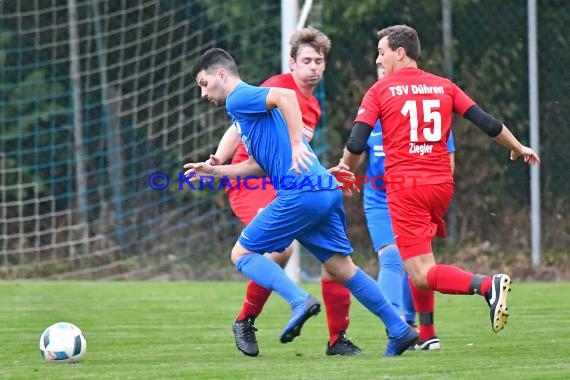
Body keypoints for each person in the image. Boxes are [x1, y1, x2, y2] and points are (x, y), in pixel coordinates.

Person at [184, 47, 419, 357]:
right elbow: (257, 164)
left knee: (242, 253)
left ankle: (298, 301)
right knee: (342, 267)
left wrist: (297, 142)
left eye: (203, 83)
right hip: (323, 187)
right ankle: (399, 329)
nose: (204, 93)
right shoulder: (244, 112)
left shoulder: (240, 96)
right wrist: (216, 171)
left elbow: (286, 97)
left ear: (221, 75)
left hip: (301, 191)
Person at [340, 25, 540, 348]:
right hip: (440, 186)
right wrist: (517, 146)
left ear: (400, 52)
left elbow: (356, 141)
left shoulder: (380, 91)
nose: (379, 59)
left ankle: (488, 285)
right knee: (420, 259)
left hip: (406, 187)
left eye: (382, 52)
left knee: (420, 272)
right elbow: (486, 122)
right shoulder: (443, 86)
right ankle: (428, 335)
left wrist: (345, 173)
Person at [207, 27, 360, 357]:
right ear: (292, 63)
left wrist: (320, 172)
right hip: (251, 180)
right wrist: (218, 159)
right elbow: (236, 126)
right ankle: (246, 320)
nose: (314, 67)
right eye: (307, 60)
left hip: (290, 182)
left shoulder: (314, 106)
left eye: (319, 61)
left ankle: (337, 339)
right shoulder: (277, 86)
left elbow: (299, 150)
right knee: (283, 248)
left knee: (333, 259)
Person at [341, 65, 455, 351]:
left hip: (413, 195)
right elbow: (354, 153)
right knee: (392, 259)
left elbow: (447, 159)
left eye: (384, 61)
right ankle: (397, 325)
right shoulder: (371, 112)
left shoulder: (427, 109)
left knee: (416, 266)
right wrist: (345, 177)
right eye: (377, 65)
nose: (382, 69)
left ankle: (417, 326)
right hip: (379, 199)